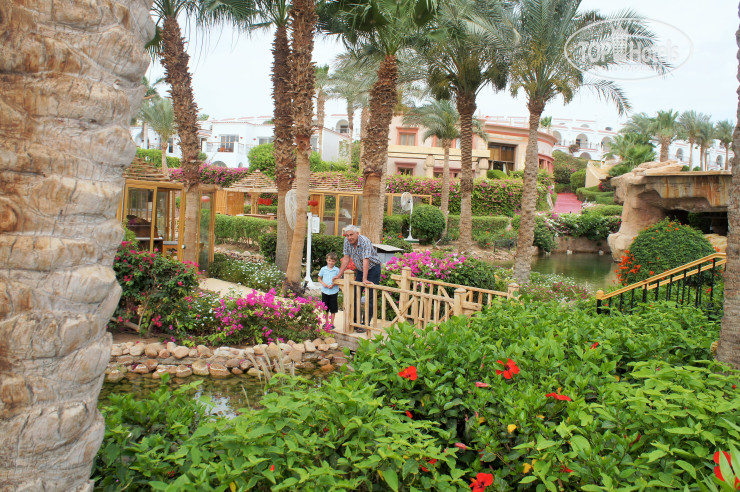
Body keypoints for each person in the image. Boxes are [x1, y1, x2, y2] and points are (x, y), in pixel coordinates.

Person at [333, 225, 381, 333]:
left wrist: (364, 279)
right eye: (347, 235)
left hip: (373, 269)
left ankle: (365, 324)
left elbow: (366, 260)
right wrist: (339, 274)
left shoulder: (365, 241)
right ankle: (356, 321)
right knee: (354, 294)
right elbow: (346, 259)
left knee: (370, 297)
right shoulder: (347, 241)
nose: (349, 237)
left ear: (357, 234)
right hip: (360, 269)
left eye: (351, 235)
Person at [317, 252, 340, 329]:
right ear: (327, 260)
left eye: (333, 261)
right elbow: (319, 278)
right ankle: (326, 322)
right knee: (325, 308)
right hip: (325, 291)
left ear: (335, 261)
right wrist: (323, 284)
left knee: (333, 308)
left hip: (333, 292)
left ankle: (332, 323)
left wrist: (333, 284)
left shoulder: (337, 270)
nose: (331, 262)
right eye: (329, 260)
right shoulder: (323, 269)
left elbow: (339, 280)